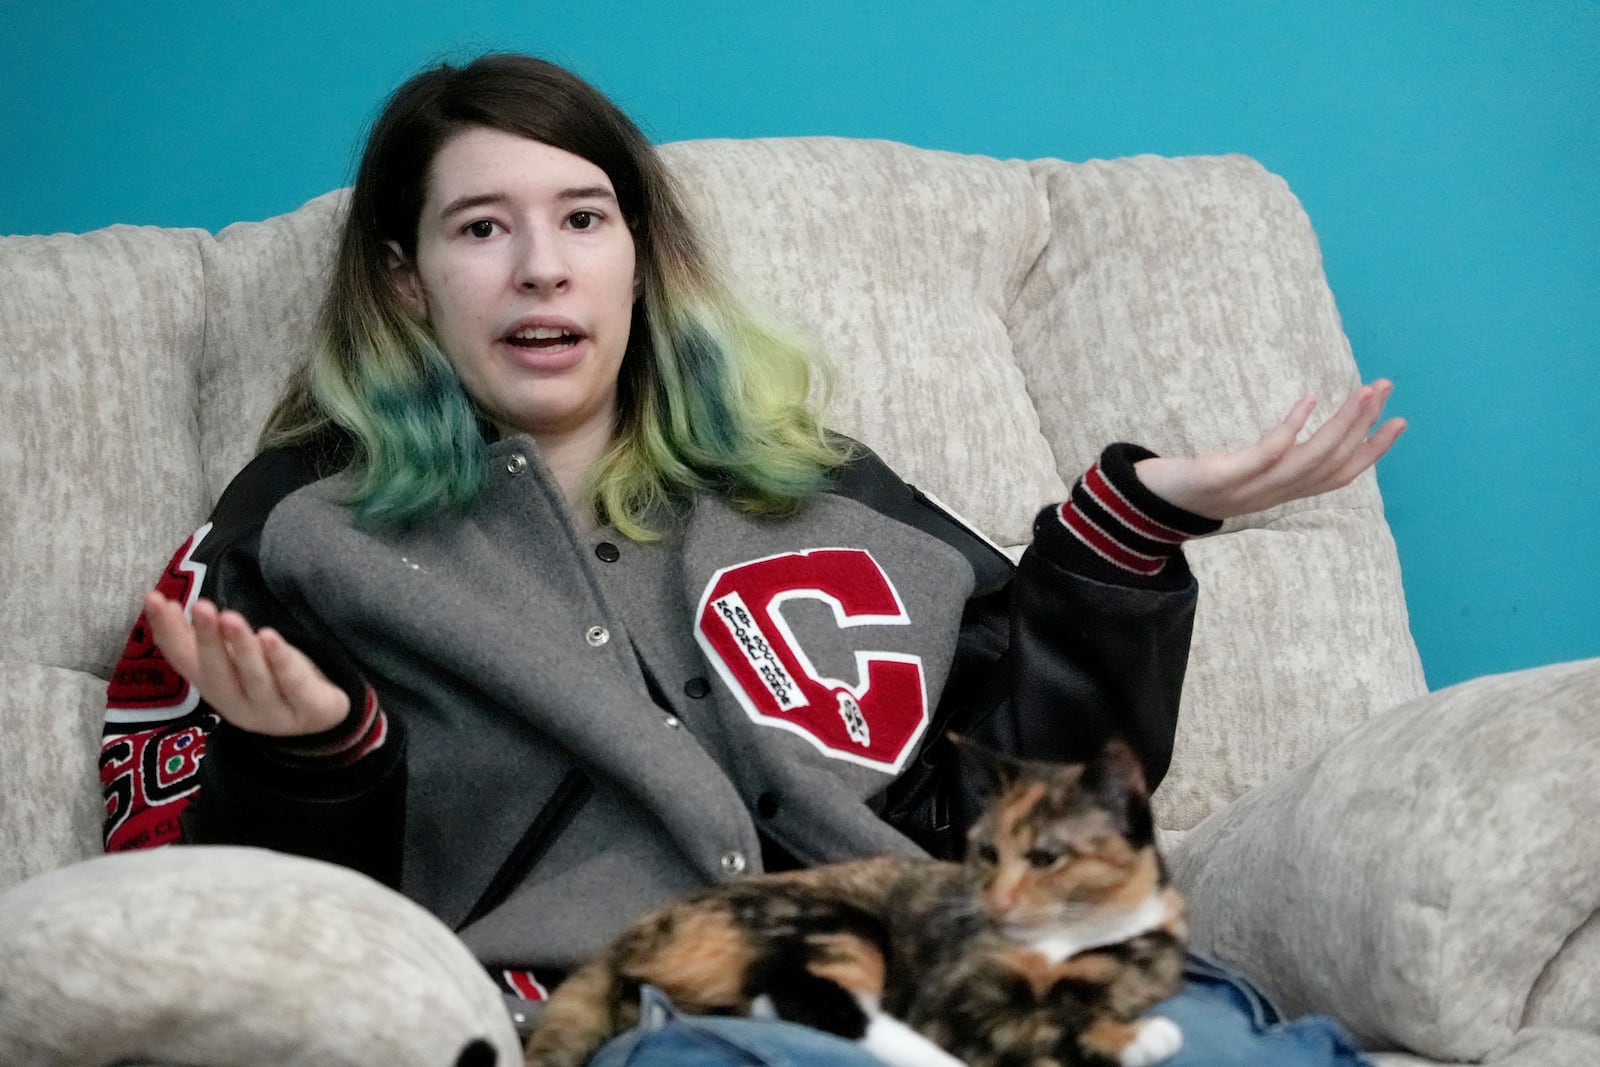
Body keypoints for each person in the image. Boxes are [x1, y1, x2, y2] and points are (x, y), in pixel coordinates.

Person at [99, 52, 1402, 1066]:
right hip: (657, 1015)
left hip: (961, 964)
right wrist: (308, 763)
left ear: (640, 259)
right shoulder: (300, 534)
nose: (543, 269)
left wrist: (1126, 531)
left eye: (584, 218)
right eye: (483, 229)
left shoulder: (819, 487)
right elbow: (228, 937)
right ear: (404, 281)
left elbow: (1035, 801)